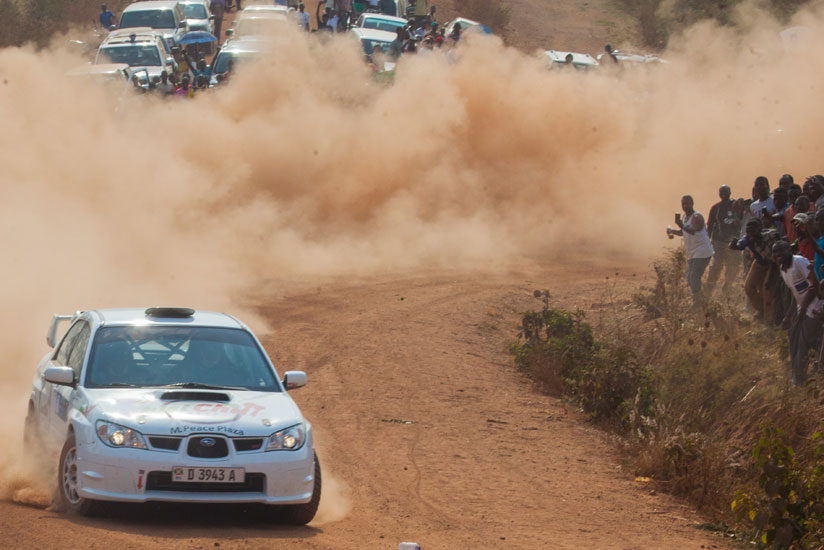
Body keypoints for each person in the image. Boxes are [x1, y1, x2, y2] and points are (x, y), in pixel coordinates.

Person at [774, 240, 824, 386]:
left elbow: (814, 285)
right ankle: (797, 372)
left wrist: (803, 309)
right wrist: (789, 316)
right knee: (793, 336)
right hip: (801, 308)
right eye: (775, 252)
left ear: (789, 250)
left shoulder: (799, 262)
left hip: (814, 307)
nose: (778, 255)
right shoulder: (783, 269)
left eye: (781, 251)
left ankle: (799, 379)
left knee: (803, 342)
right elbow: (794, 293)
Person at [667, 195, 714, 303]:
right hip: (693, 253)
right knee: (690, 278)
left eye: (687, 204)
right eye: (683, 204)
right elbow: (684, 232)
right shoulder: (684, 217)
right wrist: (672, 231)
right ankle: (702, 299)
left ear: (692, 204)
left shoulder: (697, 217)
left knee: (694, 277)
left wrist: (681, 225)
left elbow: (693, 230)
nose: (685, 206)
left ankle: (698, 303)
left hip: (702, 251)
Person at [731, 219, 781, 321]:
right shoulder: (747, 239)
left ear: (760, 230)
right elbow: (739, 245)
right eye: (748, 232)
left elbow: (774, 261)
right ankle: (761, 310)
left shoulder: (770, 237)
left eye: (752, 232)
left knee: (767, 290)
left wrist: (769, 279)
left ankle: (769, 320)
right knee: (748, 286)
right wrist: (733, 246)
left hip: (773, 264)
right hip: (759, 262)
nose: (750, 235)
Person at [706, 185, 741, 294]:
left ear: (730, 192)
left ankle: (728, 288)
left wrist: (735, 212)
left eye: (725, 192)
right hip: (718, 242)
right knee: (716, 265)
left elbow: (739, 222)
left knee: (732, 267)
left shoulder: (736, 205)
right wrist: (708, 241)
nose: (723, 194)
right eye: (721, 192)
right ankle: (709, 290)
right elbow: (710, 225)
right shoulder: (716, 208)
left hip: (733, 242)